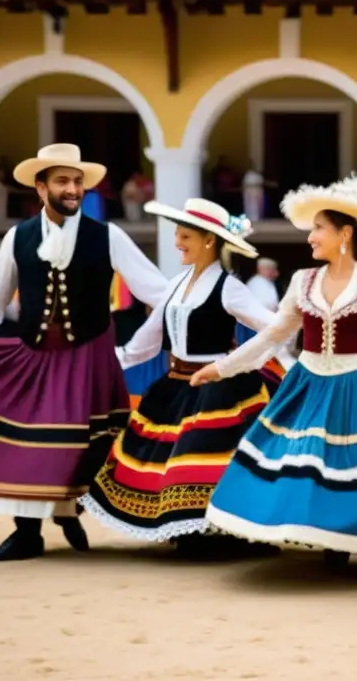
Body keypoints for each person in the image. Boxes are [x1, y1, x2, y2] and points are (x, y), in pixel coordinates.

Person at [0, 143, 169, 562]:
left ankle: (67, 512)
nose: (73, 189)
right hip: (36, 355)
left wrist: (146, 344)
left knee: (86, 448)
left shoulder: (108, 235)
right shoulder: (17, 237)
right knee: (25, 440)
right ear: (40, 187)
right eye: (63, 181)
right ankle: (27, 534)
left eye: (78, 181)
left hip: (89, 357)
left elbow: (159, 292)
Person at [189, 174, 357, 567]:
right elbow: (273, 337)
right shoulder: (302, 281)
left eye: (318, 228)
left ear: (344, 233)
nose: (311, 237)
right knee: (304, 461)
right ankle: (314, 534)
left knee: (353, 465)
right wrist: (221, 368)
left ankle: (342, 539)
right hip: (309, 383)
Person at [81, 199, 291, 552]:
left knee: (205, 459)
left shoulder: (228, 286)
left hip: (220, 389)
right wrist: (112, 361)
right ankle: (189, 529)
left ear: (209, 240)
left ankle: (222, 532)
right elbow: (148, 338)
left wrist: (236, 363)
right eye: (177, 234)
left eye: (185, 236)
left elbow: (275, 329)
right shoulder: (177, 284)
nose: (177, 242)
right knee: (171, 459)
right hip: (176, 386)